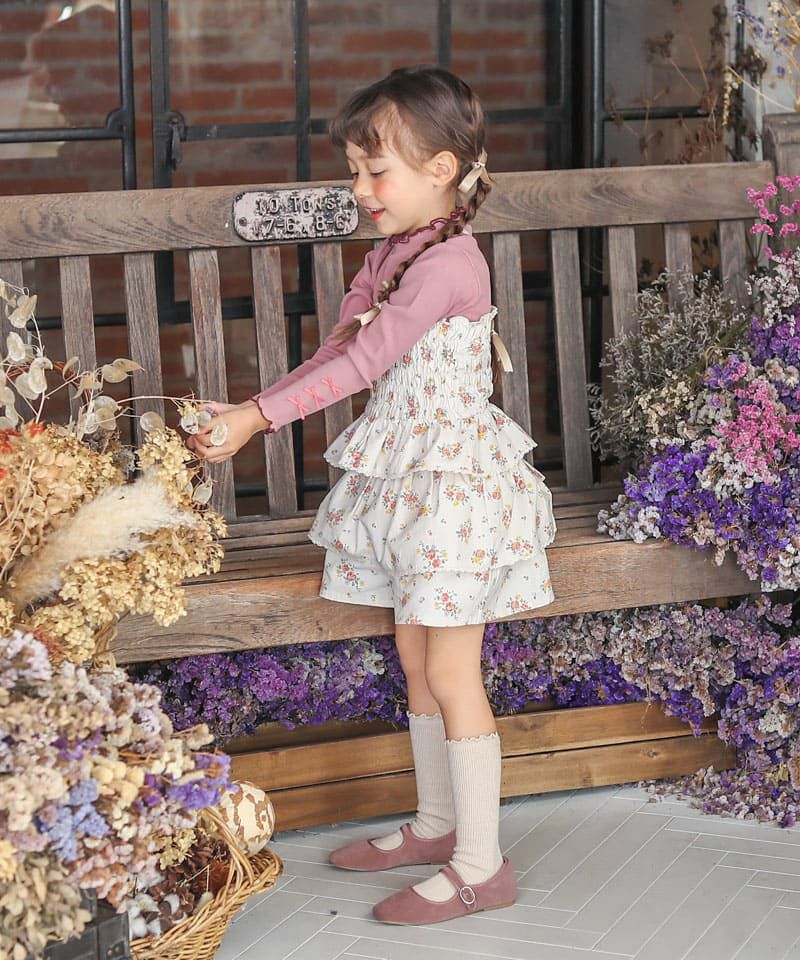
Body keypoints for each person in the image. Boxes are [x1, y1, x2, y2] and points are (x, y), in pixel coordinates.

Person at [187, 64, 557, 925]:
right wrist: (247, 412)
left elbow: (366, 362)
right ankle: (435, 825)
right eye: (354, 170)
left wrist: (258, 421)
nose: (359, 189)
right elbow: (336, 352)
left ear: (443, 169)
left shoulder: (449, 265)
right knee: (415, 657)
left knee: (453, 670)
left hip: (453, 491)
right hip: (410, 490)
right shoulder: (395, 252)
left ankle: (481, 866)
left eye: (375, 170)